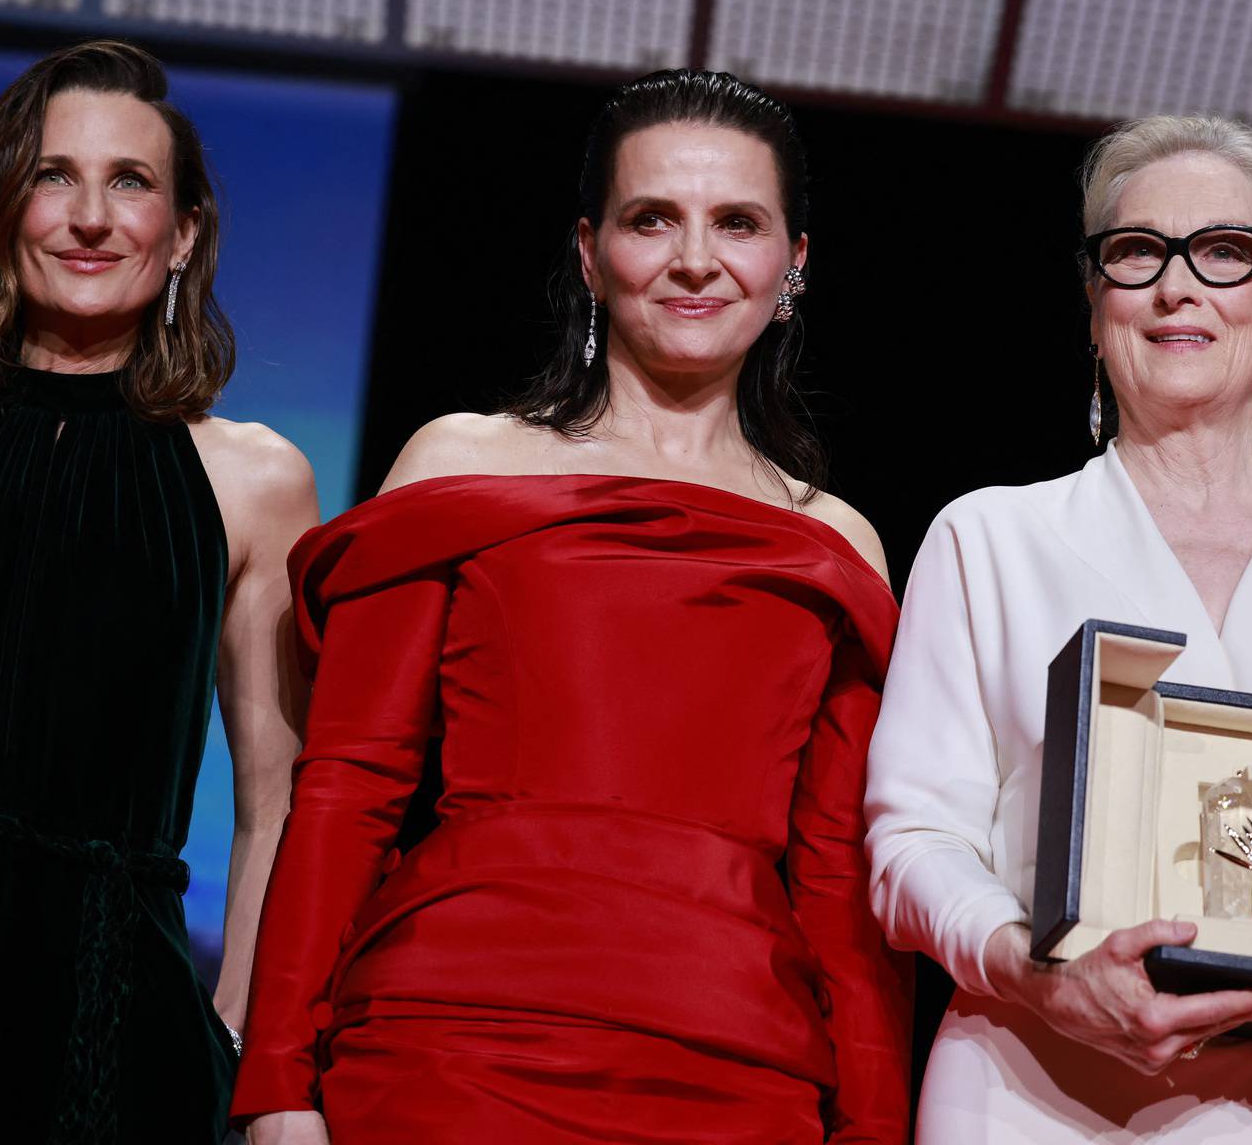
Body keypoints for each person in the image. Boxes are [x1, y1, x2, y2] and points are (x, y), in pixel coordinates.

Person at [232, 69, 911, 1144]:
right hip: (452, 1049)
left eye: (738, 222)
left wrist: (876, 1125)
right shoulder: (462, 462)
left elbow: (835, 873)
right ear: (592, 254)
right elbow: (351, 786)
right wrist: (277, 1082)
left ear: (794, 266)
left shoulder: (837, 539)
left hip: (733, 1070)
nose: (696, 258)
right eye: (654, 219)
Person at [865, 114, 1252, 1143]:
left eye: (1225, 253)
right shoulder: (992, 538)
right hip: (1035, 1102)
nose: (1175, 286)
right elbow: (910, 841)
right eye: (1137, 252)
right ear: (1097, 305)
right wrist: (1039, 973)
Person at [0, 40, 318, 1141]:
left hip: (110, 1030)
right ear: (3, 213)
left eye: (130, 181)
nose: (90, 216)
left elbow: (280, 802)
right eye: (52, 175)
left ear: (183, 233)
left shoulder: (253, 479)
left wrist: (235, 1033)